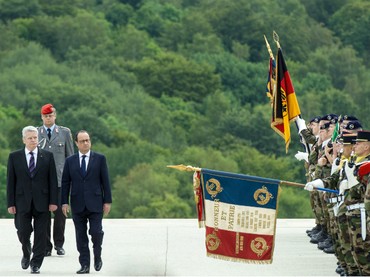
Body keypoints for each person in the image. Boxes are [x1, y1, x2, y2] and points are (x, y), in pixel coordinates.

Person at [7, 126, 58, 274]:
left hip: (42, 201)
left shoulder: (47, 156)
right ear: (24, 140)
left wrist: (53, 201)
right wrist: (10, 203)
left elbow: (53, 181)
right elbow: (11, 182)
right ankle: (26, 251)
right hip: (22, 201)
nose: (33, 140)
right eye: (30, 138)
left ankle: (36, 263)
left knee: (41, 235)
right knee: (23, 231)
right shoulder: (14, 157)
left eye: (35, 137)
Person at [61, 130, 112, 274]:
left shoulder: (100, 159)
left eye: (87, 140)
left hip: (95, 202)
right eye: (82, 141)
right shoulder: (70, 161)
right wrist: (64, 202)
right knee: (80, 236)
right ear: (76, 143)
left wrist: (107, 201)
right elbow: (65, 182)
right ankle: (84, 264)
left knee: (96, 232)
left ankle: (97, 255)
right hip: (77, 203)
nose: (86, 143)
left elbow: (105, 181)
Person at [38, 103, 74, 256]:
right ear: (42, 117)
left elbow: (70, 157)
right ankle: (46, 246)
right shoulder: (36, 133)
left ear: (55, 116)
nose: (48, 118)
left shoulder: (64, 133)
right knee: (43, 214)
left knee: (60, 214)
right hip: (42, 181)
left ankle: (59, 244)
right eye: (45, 116)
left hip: (60, 180)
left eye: (50, 115)